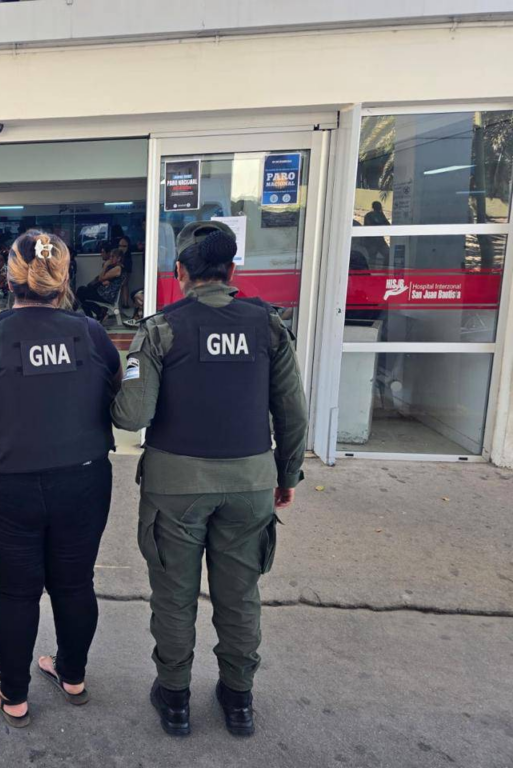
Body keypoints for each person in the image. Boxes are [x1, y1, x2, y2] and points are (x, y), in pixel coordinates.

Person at [111, 220, 307, 738]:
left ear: (180, 272)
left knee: (174, 597)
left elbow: (132, 416)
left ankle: (175, 700)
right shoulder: (269, 325)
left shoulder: (160, 329)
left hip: (174, 487)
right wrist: (287, 473)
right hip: (250, 482)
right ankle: (238, 700)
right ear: (231, 270)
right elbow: (292, 411)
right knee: (239, 596)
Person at [0, 231, 121, 728]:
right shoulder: (91, 332)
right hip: (83, 479)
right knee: (75, 582)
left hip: (6, 483)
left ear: (8, 279)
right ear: (64, 279)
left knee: (15, 591)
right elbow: (116, 391)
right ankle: (72, 676)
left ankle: (14, 696)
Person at [76, 246, 124, 321]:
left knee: (81, 292)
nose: (110, 259)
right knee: (82, 295)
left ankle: (98, 314)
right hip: (104, 293)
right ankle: (98, 313)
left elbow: (101, 278)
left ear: (119, 258)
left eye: (113, 257)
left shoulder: (118, 268)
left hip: (107, 296)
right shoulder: (116, 267)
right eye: (110, 256)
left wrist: (105, 265)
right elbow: (103, 280)